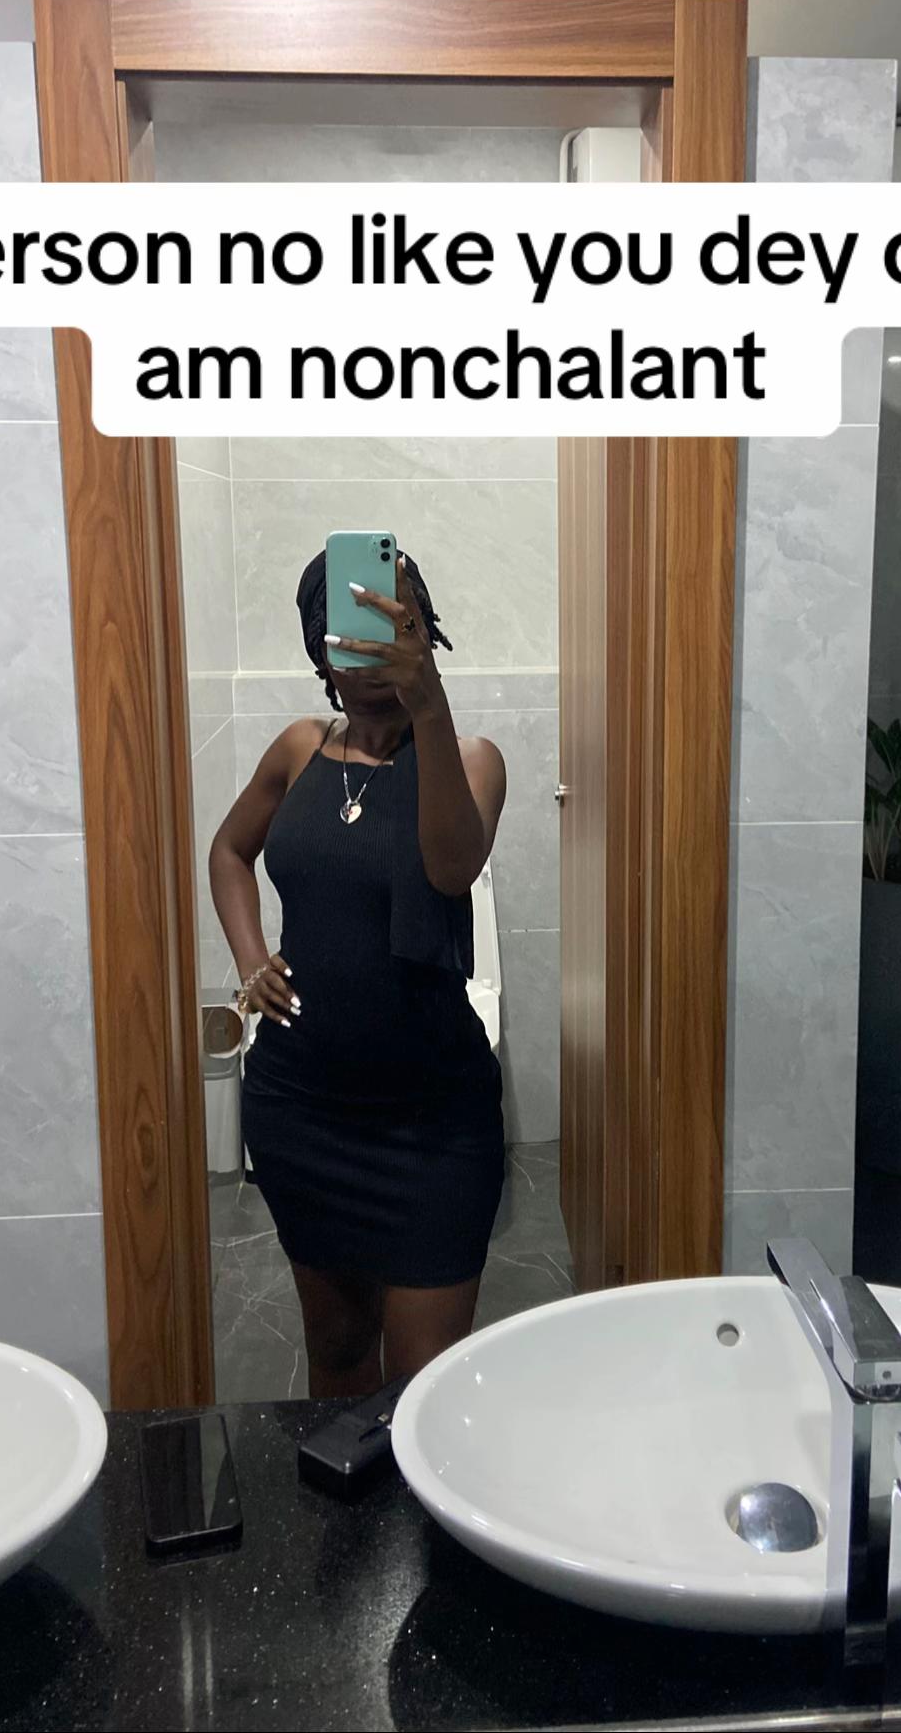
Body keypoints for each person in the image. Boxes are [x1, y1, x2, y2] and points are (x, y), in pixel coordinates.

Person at [209, 549, 507, 1396]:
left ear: (424, 633)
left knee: (423, 1381)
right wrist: (252, 961)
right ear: (321, 646)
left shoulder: (472, 759)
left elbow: (451, 869)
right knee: (337, 1351)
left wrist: (428, 703)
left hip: (434, 1123)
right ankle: (340, 1494)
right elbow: (228, 851)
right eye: (352, 630)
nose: (373, 650)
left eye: (398, 626)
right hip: (300, 1108)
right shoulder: (298, 750)